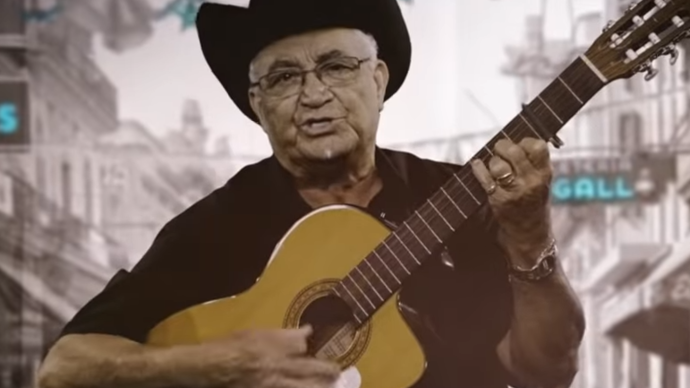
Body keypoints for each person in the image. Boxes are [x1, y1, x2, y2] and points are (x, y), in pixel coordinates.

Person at [37, 0, 585, 387]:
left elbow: (546, 371)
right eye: (282, 78)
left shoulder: (463, 194)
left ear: (378, 80)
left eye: (337, 67)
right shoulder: (214, 228)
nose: (313, 95)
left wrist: (530, 235)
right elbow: (65, 368)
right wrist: (211, 367)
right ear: (257, 105)